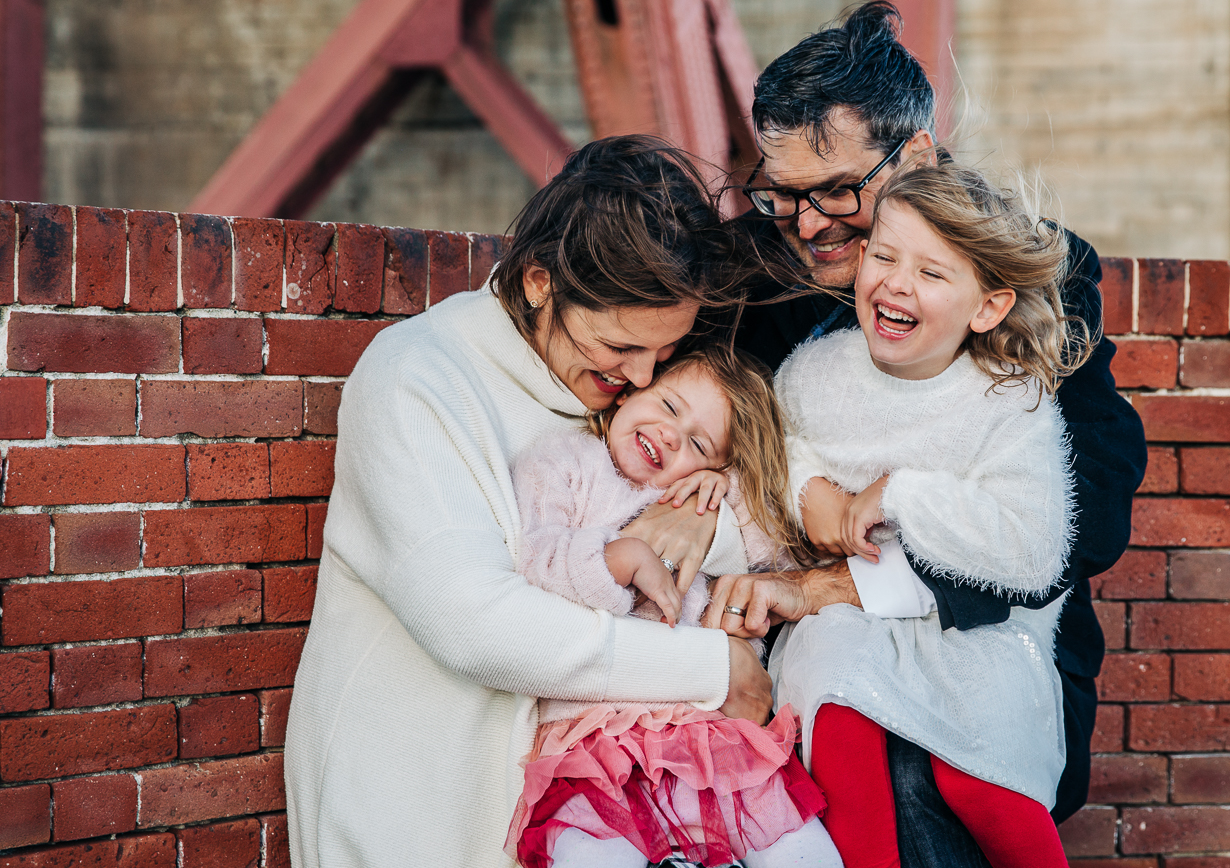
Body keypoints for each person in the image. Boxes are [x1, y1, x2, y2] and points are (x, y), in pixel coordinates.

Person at [710, 2, 1148, 859]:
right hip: (800, 635)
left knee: (923, 780)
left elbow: (1087, 508)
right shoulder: (749, 269)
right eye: (782, 193)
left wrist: (850, 581)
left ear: (912, 154)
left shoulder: (1029, 263)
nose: (805, 225)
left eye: (836, 191)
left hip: (976, 627)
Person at [283, 136, 786, 868]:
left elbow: (752, 497)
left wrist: (707, 525)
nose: (642, 376)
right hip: (409, 822)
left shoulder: (608, 398)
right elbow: (477, 623)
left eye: (662, 355)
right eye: (621, 345)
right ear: (542, 281)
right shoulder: (417, 379)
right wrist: (709, 669)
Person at [773, 162, 1086, 868]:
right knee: (839, 717)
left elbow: (1032, 546)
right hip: (847, 620)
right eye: (883, 256)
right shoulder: (814, 373)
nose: (896, 283)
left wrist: (901, 494)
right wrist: (807, 486)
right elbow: (777, 439)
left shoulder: (1007, 400)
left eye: (933, 273)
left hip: (971, 628)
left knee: (981, 777)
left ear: (988, 308)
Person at [504, 346, 840, 868]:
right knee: (591, 852)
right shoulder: (565, 462)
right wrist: (618, 560)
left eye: (697, 443)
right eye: (667, 405)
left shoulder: (702, 502)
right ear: (632, 392)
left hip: (707, 735)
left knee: (804, 851)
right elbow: (534, 564)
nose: (669, 434)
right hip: (596, 738)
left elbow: (778, 543)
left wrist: (725, 492)